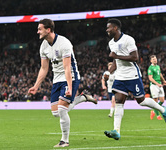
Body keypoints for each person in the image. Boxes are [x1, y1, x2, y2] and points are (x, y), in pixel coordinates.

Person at [28, 19, 97, 147]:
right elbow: (44, 68)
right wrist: (36, 86)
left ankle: (64, 140)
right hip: (57, 79)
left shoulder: (64, 43)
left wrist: (70, 88)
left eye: (40, 29)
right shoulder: (43, 45)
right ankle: (82, 98)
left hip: (70, 76)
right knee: (56, 113)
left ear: (48, 30)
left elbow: (67, 68)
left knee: (61, 109)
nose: (37, 32)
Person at [104, 18, 166, 140]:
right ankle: (116, 131)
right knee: (118, 102)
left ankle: (162, 109)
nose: (107, 30)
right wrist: (110, 73)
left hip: (132, 75)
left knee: (141, 101)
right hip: (120, 76)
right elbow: (116, 61)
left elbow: (135, 57)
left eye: (109, 27)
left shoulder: (128, 39)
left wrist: (116, 56)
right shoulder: (111, 43)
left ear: (115, 28)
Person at [148, 55, 166, 120]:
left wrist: (163, 80)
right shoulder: (150, 68)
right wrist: (157, 84)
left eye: (155, 59)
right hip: (154, 85)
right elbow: (150, 78)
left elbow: (160, 74)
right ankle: (158, 116)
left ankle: (153, 111)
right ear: (151, 61)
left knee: (162, 100)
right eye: (153, 59)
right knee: (155, 101)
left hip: (160, 85)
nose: (155, 60)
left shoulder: (158, 66)